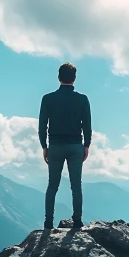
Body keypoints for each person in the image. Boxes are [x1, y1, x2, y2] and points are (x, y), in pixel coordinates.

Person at [39, 62, 91, 229]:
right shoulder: (82, 99)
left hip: (55, 146)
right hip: (76, 145)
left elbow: (42, 125)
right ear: (74, 78)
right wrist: (86, 145)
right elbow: (87, 125)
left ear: (58, 77)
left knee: (52, 185)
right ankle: (77, 221)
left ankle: (48, 222)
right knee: (76, 185)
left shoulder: (47, 99)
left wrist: (44, 146)